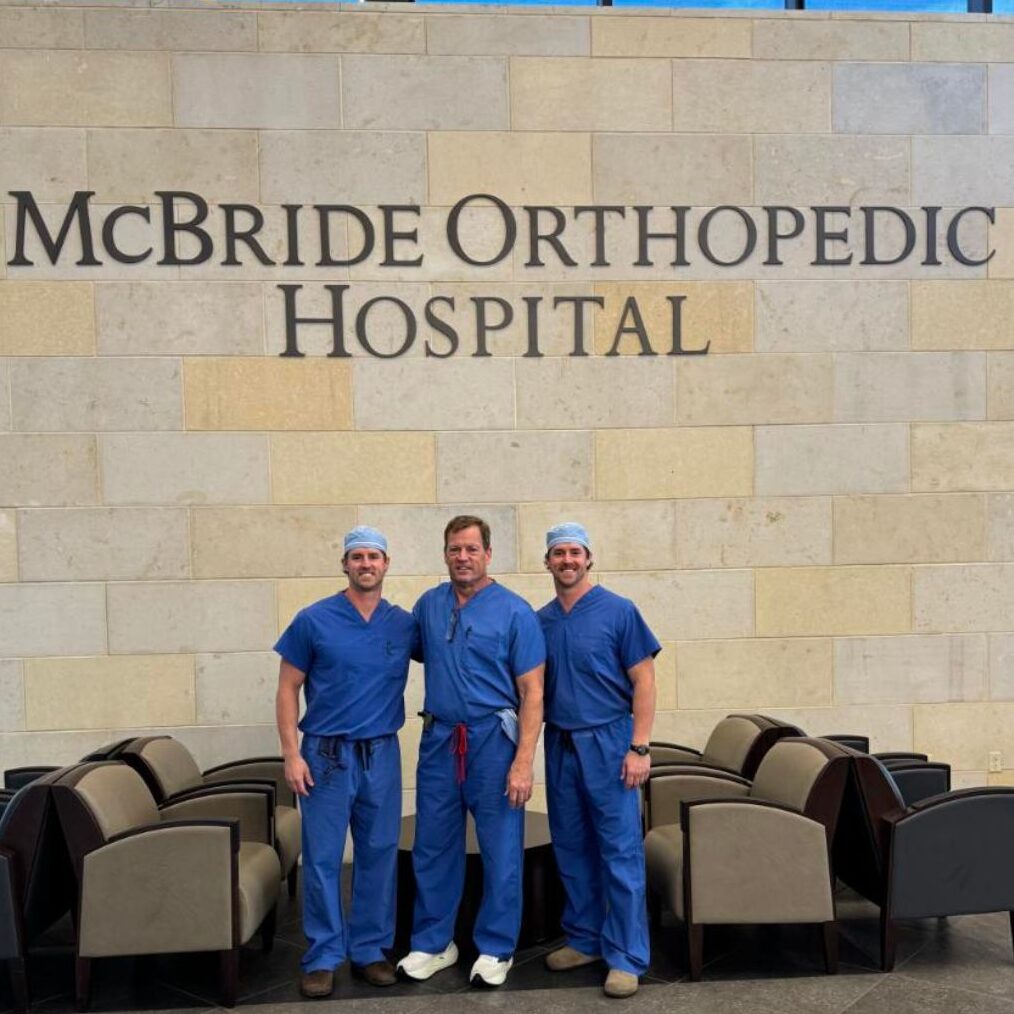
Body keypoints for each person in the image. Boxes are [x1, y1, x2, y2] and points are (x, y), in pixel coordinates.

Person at [396, 515, 545, 988]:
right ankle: (435, 942)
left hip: (493, 743)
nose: (463, 557)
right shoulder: (429, 606)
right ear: (445, 554)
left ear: (488, 553)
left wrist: (523, 761)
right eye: (454, 549)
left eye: (471, 549)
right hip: (440, 740)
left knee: (501, 848)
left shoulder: (515, 612)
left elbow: (533, 692)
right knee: (433, 845)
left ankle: (497, 948)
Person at [275, 525, 418, 998]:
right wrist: (292, 755)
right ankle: (322, 956)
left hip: (381, 752)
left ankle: (371, 950)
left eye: (374, 557)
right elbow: (287, 688)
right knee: (322, 858)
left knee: (378, 853)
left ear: (386, 565)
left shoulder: (402, 624)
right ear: (345, 565)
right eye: (357, 557)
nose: (366, 565)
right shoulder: (313, 620)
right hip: (326, 755)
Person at [537, 522, 660, 999]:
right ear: (547, 562)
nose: (567, 560)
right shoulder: (539, 620)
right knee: (570, 845)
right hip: (561, 742)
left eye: (574, 552)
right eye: (558, 553)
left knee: (619, 850)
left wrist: (640, 745)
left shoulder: (619, 612)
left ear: (588, 558)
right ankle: (586, 938)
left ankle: (627, 956)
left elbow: (644, 681)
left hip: (610, 742)